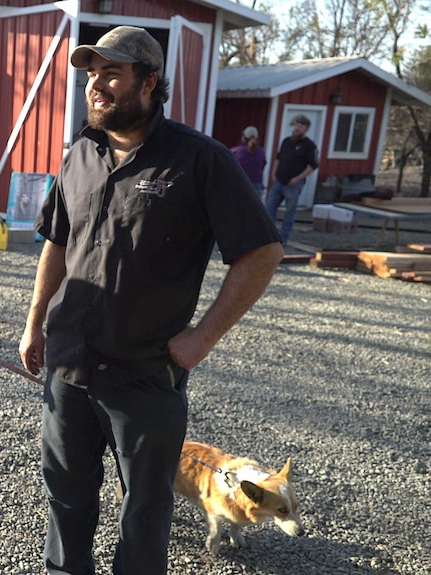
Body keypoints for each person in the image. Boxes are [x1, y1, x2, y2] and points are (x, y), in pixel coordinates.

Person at [18, 26, 283, 575]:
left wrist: (201, 339)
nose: (97, 85)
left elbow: (261, 252)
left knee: (143, 509)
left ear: (149, 81)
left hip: (145, 375)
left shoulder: (198, 159)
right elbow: (58, 243)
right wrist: (34, 322)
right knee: (66, 496)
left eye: (112, 73)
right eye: (92, 75)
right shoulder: (80, 153)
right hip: (68, 364)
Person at [265, 114, 319, 242]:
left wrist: (298, 178)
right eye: (296, 125)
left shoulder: (310, 146)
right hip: (279, 181)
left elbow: (313, 165)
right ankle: (269, 237)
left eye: (300, 126)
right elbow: (278, 159)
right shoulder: (286, 141)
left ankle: (283, 238)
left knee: (290, 212)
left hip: (293, 184)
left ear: (306, 128)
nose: (297, 128)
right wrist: (273, 174)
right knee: (269, 208)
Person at [231, 125, 267, 201]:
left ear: (243, 137)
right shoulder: (261, 152)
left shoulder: (235, 151)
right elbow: (263, 166)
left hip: (239, 184)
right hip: (256, 185)